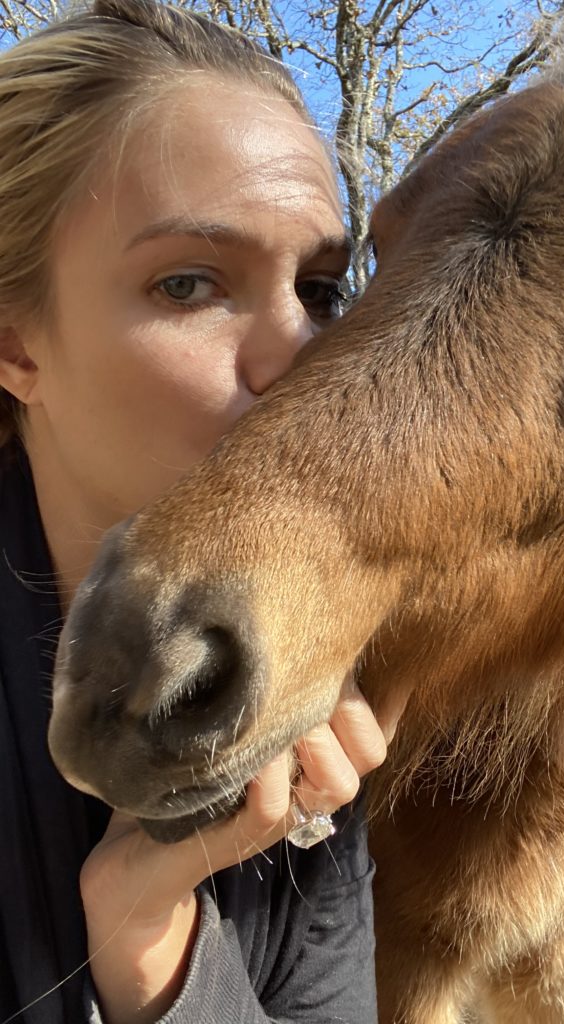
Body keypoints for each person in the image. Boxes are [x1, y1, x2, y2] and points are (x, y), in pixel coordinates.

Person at [0, 2, 394, 1020]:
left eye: (321, 290)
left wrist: (156, 953)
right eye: (189, 284)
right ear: (15, 344)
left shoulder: (297, 666)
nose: (302, 360)